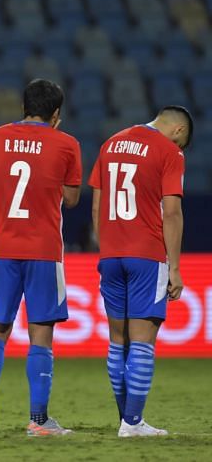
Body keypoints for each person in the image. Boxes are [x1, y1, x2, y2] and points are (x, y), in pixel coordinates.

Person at [0, 79, 81, 437]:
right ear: (56, 114)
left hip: (3, 247)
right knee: (41, 335)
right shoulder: (67, 144)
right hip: (44, 250)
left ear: (23, 106)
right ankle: (38, 421)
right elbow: (72, 199)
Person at [89, 105, 192, 437]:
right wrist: (174, 267)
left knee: (118, 340)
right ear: (178, 130)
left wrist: (106, 246)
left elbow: (97, 204)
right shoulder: (169, 151)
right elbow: (172, 213)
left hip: (112, 254)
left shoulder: (111, 143)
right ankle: (132, 424)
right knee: (143, 341)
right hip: (147, 255)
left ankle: (126, 420)